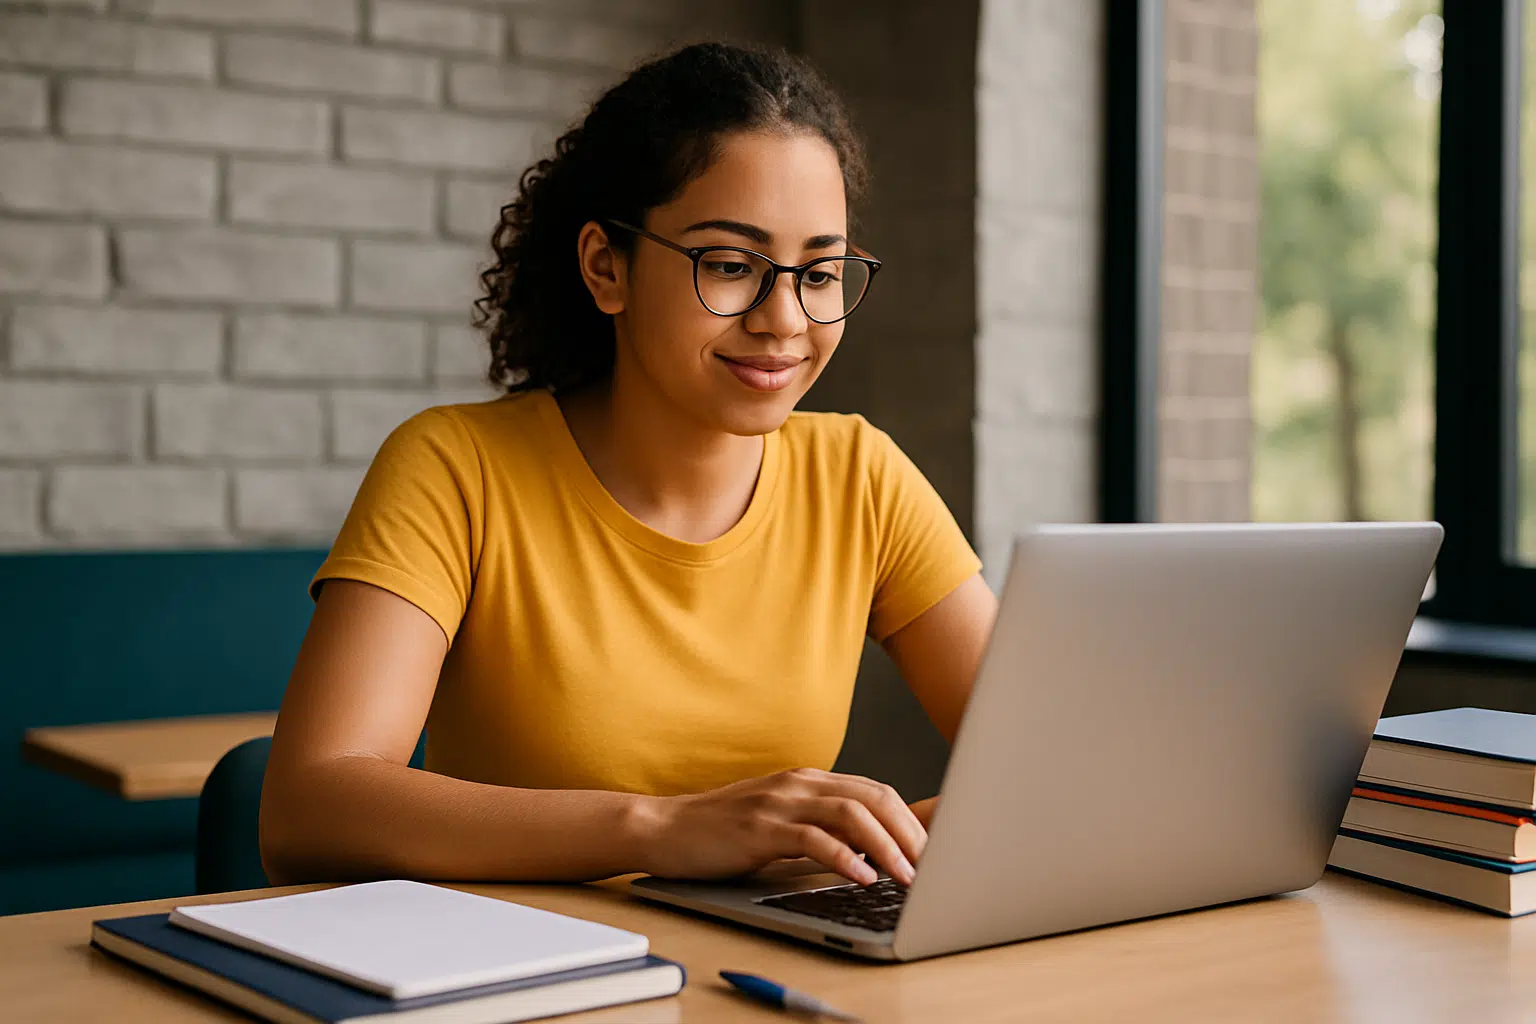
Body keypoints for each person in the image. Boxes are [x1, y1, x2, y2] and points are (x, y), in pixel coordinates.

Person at [259, 42, 997, 891]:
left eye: (820, 273)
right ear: (608, 267)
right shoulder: (456, 468)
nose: (785, 319)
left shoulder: (861, 477)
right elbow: (306, 809)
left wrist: (858, 838)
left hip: (761, 974)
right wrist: (659, 829)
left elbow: (1050, 755)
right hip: (525, 979)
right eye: (729, 265)